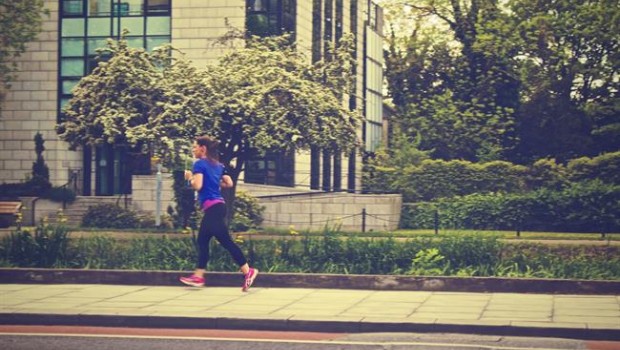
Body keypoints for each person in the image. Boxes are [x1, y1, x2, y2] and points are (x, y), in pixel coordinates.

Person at [180, 136, 258, 291]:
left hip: (213, 209)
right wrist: (214, 183)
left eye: (195, 147)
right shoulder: (219, 165)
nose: (193, 150)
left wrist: (189, 178)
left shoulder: (199, 164)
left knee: (225, 241)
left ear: (203, 149)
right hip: (217, 207)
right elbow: (229, 183)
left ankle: (248, 270)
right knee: (203, 241)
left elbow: (198, 185)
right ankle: (199, 276)